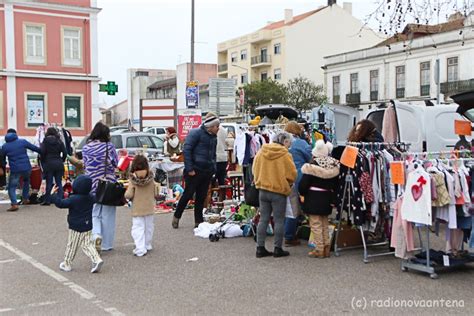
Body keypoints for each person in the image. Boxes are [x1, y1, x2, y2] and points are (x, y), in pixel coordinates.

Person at [252, 131, 297, 258]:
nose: (289, 145)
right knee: (279, 220)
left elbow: (254, 169)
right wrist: (288, 183)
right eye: (289, 142)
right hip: (278, 191)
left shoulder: (261, 151)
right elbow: (292, 174)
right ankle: (278, 248)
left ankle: (260, 248)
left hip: (263, 190)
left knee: (263, 219)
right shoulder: (285, 154)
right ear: (285, 141)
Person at [172, 114, 219, 229]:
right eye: (217, 126)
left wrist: (213, 168)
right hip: (194, 170)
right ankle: (176, 216)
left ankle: (198, 222)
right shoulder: (195, 133)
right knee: (188, 194)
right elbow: (186, 151)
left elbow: (213, 154)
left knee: (201, 197)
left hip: (207, 171)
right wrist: (190, 168)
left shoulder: (213, 137)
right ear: (211, 126)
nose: (218, 128)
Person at [51, 175, 103, 273]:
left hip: (76, 226)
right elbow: (97, 197)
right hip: (88, 225)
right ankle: (96, 259)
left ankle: (67, 263)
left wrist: (53, 195)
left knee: (72, 245)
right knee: (87, 244)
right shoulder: (90, 197)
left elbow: (61, 204)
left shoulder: (74, 199)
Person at [298, 140, 340, 258]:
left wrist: (302, 193)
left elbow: (303, 185)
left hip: (313, 198)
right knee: (325, 223)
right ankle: (326, 247)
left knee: (316, 224)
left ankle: (319, 249)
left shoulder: (311, 167)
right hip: (327, 198)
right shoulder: (333, 166)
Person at [82, 122, 119, 252]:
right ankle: (107, 244)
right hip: (108, 185)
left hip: (91, 185)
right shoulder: (109, 147)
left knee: (94, 213)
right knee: (108, 215)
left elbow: (85, 165)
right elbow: (115, 163)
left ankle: (96, 234)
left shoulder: (86, 148)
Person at [284, 121, 312, 246]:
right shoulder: (300, 143)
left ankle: (288, 232)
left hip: (284, 177)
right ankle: (289, 236)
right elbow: (311, 157)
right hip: (299, 176)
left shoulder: (281, 142)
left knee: (287, 206)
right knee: (294, 207)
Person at [124, 155, 159, 257]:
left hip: (137, 209)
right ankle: (147, 244)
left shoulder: (133, 180)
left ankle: (140, 248)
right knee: (149, 227)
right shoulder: (151, 179)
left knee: (138, 228)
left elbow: (128, 195)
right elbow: (156, 193)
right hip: (149, 208)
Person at [2, 128, 41, 212]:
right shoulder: (22, 141)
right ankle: (25, 199)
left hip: (15, 169)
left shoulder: (4, 146)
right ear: (16, 134)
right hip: (26, 167)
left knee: (12, 187)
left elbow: (2, 159)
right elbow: (35, 148)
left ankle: (14, 204)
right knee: (26, 181)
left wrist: (3, 166)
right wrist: (44, 152)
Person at [40, 127, 68, 206]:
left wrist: (43, 161)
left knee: (49, 182)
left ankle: (47, 200)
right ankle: (60, 199)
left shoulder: (45, 141)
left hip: (49, 164)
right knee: (59, 182)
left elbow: (42, 152)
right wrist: (62, 160)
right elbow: (65, 152)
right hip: (58, 163)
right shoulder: (59, 141)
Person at [211, 112, 228, 186]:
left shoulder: (210, 130)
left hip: (214, 158)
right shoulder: (224, 130)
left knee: (212, 180)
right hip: (223, 157)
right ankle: (222, 196)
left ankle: (210, 196)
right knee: (221, 179)